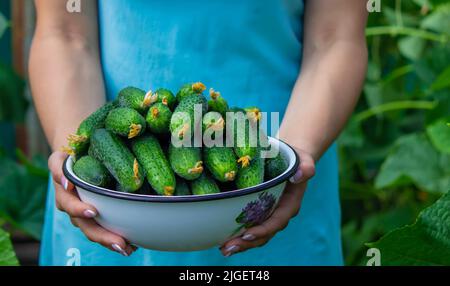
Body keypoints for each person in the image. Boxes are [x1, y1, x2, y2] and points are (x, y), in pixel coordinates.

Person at [29, 0, 368, 266]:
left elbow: (335, 38)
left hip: (278, 159)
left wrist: (294, 154)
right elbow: (65, 34)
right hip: (112, 190)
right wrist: (80, 166)